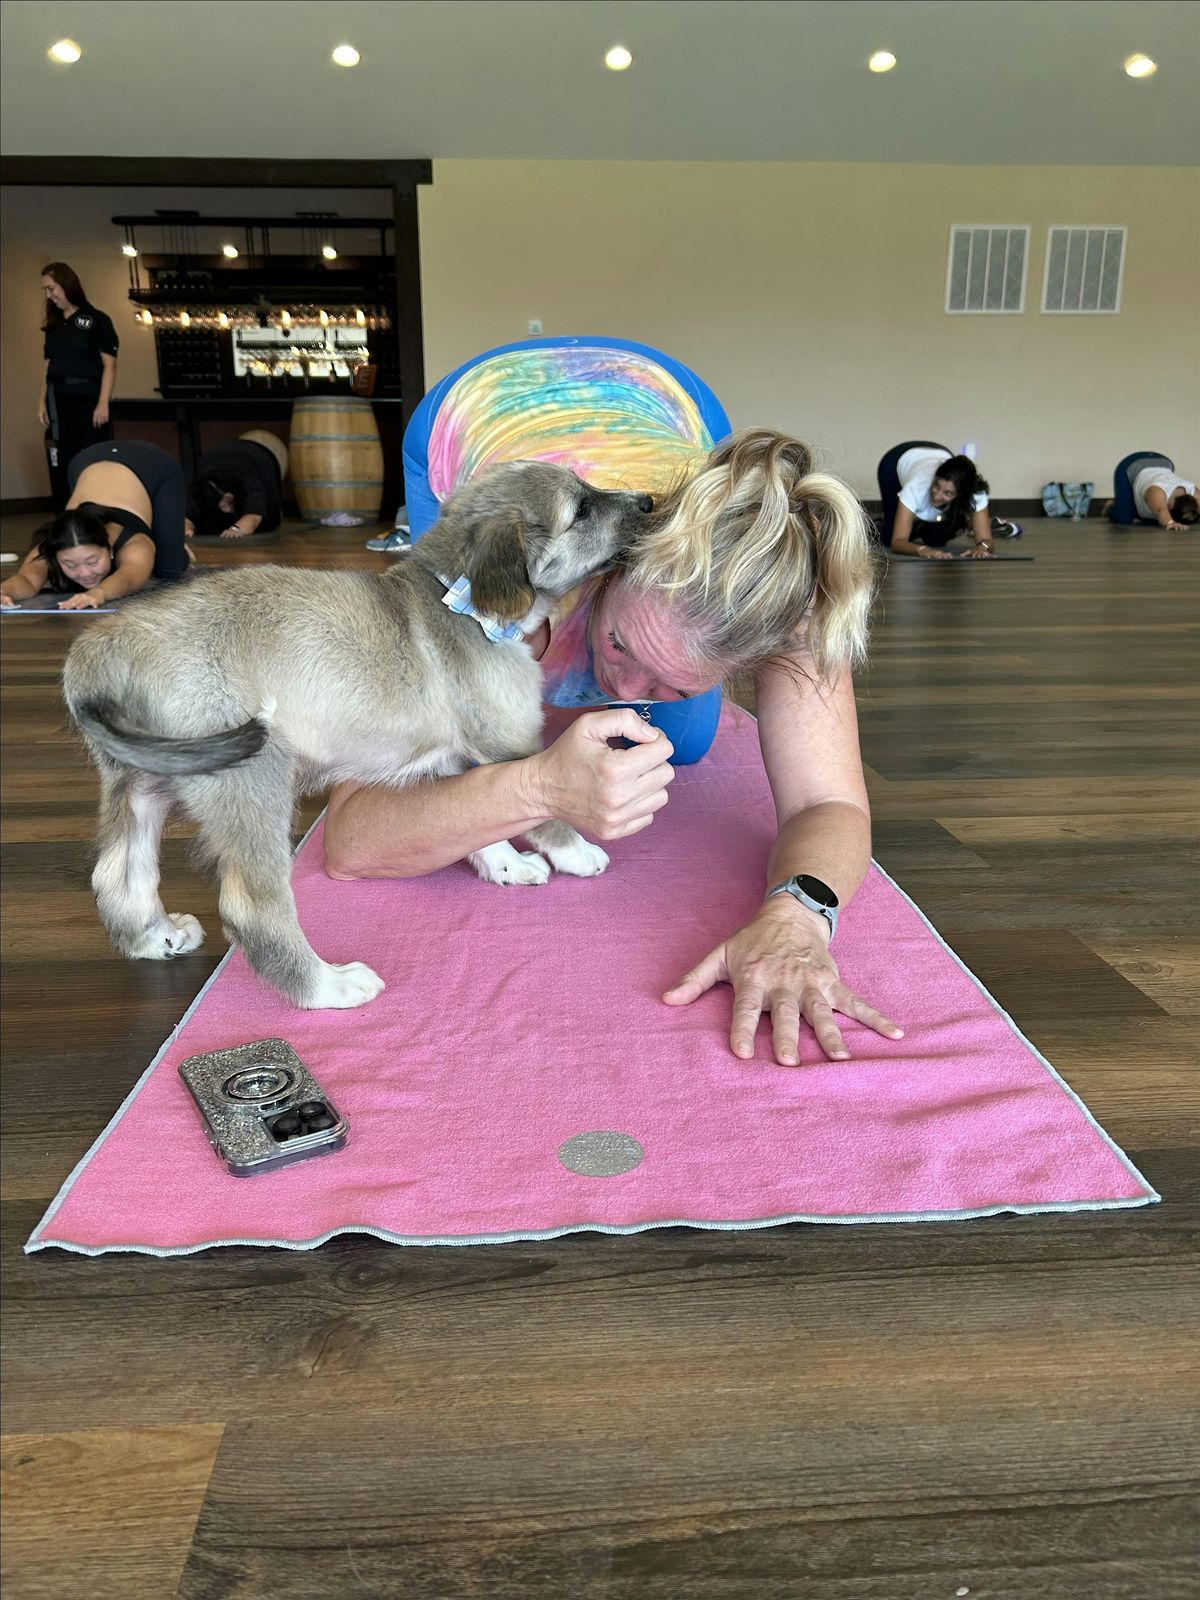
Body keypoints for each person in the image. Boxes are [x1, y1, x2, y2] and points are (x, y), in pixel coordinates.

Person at [323, 428, 905, 1068]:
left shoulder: (790, 612)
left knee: (679, 741)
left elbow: (828, 802)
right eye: (622, 643)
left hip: (662, 453)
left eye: (668, 682)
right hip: (465, 438)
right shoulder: (513, 569)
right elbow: (353, 843)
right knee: (481, 734)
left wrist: (797, 920)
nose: (623, 690)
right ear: (617, 564)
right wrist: (537, 787)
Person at [1, 440, 188, 610]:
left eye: (92, 561)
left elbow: (129, 577)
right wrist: (5, 591)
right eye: (70, 564)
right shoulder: (51, 544)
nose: (84, 574)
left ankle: (174, 535)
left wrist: (99, 593)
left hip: (150, 462)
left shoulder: (133, 541)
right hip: (85, 461)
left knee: (168, 568)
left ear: (109, 547)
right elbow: (27, 579)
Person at [38, 262, 119, 511]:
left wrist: (103, 402)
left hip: (89, 396)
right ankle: (68, 511)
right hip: (58, 396)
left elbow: (109, 365)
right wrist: (41, 401)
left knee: (94, 454)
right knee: (63, 455)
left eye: (52, 288)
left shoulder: (97, 320)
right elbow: (48, 365)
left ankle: (98, 508)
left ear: (66, 285)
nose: (49, 295)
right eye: (45, 290)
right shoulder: (53, 325)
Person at [876, 440, 1007, 559]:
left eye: (948, 493)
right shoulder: (916, 487)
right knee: (888, 537)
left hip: (938, 453)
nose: (937, 496)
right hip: (895, 460)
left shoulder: (976, 494)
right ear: (935, 478)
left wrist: (982, 548)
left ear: (961, 494)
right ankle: (884, 522)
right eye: (936, 486)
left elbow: (986, 539)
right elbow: (897, 542)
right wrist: (921, 550)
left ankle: (918, 523)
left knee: (937, 539)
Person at [185, 431, 288, 539]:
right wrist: (187, 528)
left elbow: (253, 518)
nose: (228, 508)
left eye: (230, 506)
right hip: (215, 457)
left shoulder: (251, 485)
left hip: (259, 456)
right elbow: (186, 516)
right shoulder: (198, 488)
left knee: (270, 520)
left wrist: (235, 529)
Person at [1103, 453, 1198, 531]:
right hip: (1131, 465)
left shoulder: (1194, 491)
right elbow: (1161, 511)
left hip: (1164, 462)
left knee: (1155, 517)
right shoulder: (1157, 491)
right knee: (1124, 517)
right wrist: (1171, 523)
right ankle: (1112, 505)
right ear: (1168, 505)